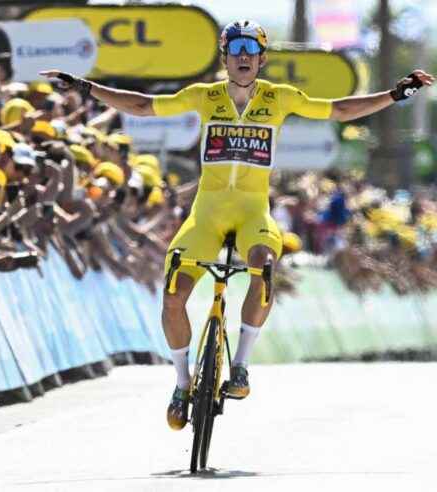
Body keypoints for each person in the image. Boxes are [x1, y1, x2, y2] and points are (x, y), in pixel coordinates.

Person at [42, 19, 435, 431]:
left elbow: (340, 109)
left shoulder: (280, 97)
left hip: (253, 213)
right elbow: (141, 105)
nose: (244, 56)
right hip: (206, 214)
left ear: (262, 59)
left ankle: (242, 365)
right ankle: (181, 382)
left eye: (251, 50)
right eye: (236, 49)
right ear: (226, 58)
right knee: (174, 293)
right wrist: (87, 87)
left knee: (263, 265)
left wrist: (395, 93)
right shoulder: (204, 96)